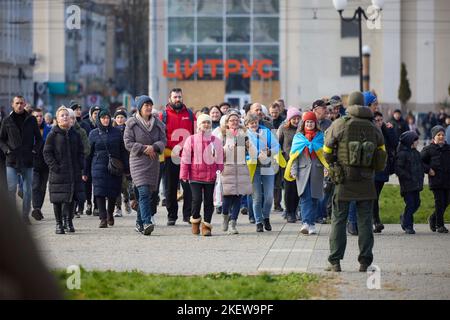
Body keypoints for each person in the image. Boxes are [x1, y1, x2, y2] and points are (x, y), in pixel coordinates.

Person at [323, 91, 386, 272]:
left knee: (339, 220)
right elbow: (381, 154)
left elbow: (327, 150)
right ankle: (365, 262)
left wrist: (334, 165)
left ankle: (335, 261)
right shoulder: (374, 127)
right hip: (367, 180)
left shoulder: (340, 124)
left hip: (344, 179)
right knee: (365, 221)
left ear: (349, 105)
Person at [124, 95, 166, 235]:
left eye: (150, 105)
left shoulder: (158, 123)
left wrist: (154, 147)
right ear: (139, 108)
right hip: (138, 161)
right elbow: (128, 142)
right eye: (145, 105)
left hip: (153, 162)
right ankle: (147, 222)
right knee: (143, 192)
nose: (148, 107)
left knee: (147, 193)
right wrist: (143, 148)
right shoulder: (131, 123)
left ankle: (139, 223)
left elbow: (163, 141)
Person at [0, 96, 43, 224]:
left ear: (25, 104)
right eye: (17, 103)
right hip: (11, 160)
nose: (19, 105)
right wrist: (6, 150)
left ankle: (25, 216)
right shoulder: (7, 121)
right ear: (12, 104)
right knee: (11, 189)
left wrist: (34, 150)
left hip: (27, 160)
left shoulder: (31, 120)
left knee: (27, 190)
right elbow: (1, 139)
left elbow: (39, 139)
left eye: (21, 103)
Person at [83, 108, 129, 228]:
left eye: (107, 118)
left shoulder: (117, 132)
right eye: (103, 118)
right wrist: (85, 171)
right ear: (99, 119)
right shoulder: (93, 133)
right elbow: (88, 153)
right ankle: (103, 218)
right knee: (99, 192)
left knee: (113, 191)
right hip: (98, 166)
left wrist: (126, 167)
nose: (106, 120)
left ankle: (110, 214)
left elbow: (123, 151)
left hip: (114, 166)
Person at [180, 114, 223, 236]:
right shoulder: (191, 139)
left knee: (209, 201)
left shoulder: (216, 141)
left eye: (208, 122)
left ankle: (206, 226)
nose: (206, 125)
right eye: (203, 122)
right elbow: (185, 158)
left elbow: (220, 158)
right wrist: (184, 174)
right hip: (195, 176)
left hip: (210, 176)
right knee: (196, 200)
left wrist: (220, 170)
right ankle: (195, 221)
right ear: (199, 125)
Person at [285, 111, 327, 235]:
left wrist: (326, 168)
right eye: (307, 122)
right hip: (302, 171)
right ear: (304, 123)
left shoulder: (320, 136)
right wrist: (293, 170)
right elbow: (294, 156)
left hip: (317, 170)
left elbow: (324, 155)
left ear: (315, 123)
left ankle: (312, 224)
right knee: (304, 197)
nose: (309, 124)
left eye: (312, 122)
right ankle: (305, 223)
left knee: (315, 198)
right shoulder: (298, 137)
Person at [43, 106, 84, 234]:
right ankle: (58, 224)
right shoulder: (53, 135)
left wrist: (80, 165)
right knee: (58, 200)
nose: (65, 117)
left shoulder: (75, 135)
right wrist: (55, 167)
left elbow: (81, 152)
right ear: (57, 120)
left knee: (71, 198)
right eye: (62, 115)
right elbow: (47, 153)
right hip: (58, 174)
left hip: (73, 172)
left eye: (67, 115)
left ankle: (68, 221)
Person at [159, 88, 196, 226]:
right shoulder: (163, 115)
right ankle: (172, 216)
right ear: (170, 99)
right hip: (170, 156)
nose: (177, 99)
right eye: (175, 97)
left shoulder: (190, 115)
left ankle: (187, 215)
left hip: (187, 157)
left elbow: (195, 134)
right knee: (170, 188)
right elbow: (160, 135)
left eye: (179, 97)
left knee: (188, 188)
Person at [214, 110, 252, 234]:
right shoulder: (223, 135)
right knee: (226, 198)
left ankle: (233, 223)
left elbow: (251, 153)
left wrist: (249, 146)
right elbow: (216, 154)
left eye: (236, 120)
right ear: (227, 123)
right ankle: (225, 217)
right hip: (227, 169)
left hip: (241, 169)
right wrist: (227, 148)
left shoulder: (243, 135)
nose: (234, 122)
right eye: (232, 120)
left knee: (237, 197)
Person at [245, 113, 281, 232]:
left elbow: (277, 146)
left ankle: (266, 217)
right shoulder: (243, 135)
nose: (254, 125)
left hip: (267, 165)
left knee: (269, 196)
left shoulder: (266, 132)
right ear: (247, 124)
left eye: (255, 122)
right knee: (257, 196)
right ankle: (258, 221)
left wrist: (269, 152)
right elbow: (241, 153)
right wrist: (252, 156)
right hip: (253, 167)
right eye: (251, 123)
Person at [421, 126, 450, 233]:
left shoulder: (448, 148)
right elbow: (420, 162)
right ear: (434, 137)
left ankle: (433, 218)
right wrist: (428, 169)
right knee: (439, 202)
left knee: (446, 201)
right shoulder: (428, 149)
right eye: (439, 135)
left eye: (442, 134)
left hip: (447, 180)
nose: (441, 136)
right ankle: (440, 225)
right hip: (436, 180)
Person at [372, 111, 397, 233]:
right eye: (376, 120)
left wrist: (390, 130)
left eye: (381, 120)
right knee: (373, 196)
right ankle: (375, 221)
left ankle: (375, 221)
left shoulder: (385, 131)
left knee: (376, 195)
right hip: (372, 168)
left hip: (383, 168)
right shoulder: (370, 131)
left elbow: (394, 143)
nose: (379, 122)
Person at [395, 131, 424, 234]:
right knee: (411, 204)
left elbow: (421, 165)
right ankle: (408, 225)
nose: (417, 142)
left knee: (417, 203)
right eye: (415, 140)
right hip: (407, 185)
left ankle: (404, 216)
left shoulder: (416, 153)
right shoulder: (402, 154)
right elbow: (398, 168)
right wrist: (407, 176)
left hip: (416, 184)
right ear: (409, 141)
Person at [277, 107, 301, 223]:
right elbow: (278, 143)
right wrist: (282, 156)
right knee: (289, 188)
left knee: (297, 188)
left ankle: (294, 210)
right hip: (287, 162)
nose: (296, 121)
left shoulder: (302, 129)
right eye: (294, 119)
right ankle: (289, 211)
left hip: (300, 161)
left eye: (298, 118)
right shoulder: (283, 128)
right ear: (289, 119)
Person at [67, 108, 90, 219]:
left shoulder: (80, 132)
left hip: (77, 166)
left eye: (72, 118)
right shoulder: (55, 133)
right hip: (62, 168)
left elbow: (86, 149)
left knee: (77, 190)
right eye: (68, 117)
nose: (70, 120)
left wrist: (79, 160)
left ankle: (75, 210)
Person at [30, 108, 52, 221]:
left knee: (43, 188)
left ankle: (38, 208)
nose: (39, 118)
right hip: (33, 162)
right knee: (35, 185)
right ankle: (36, 208)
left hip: (45, 163)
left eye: (40, 116)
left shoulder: (49, 129)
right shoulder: (28, 129)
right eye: (36, 116)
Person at [81, 105, 101, 216]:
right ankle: (88, 203)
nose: (97, 116)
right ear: (91, 114)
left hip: (98, 159)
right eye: (95, 113)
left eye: (98, 113)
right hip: (88, 156)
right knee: (87, 182)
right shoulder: (85, 124)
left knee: (97, 184)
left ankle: (97, 206)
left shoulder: (103, 124)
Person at [113, 108, 133, 217]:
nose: (120, 119)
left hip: (127, 161)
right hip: (116, 162)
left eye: (122, 117)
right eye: (118, 117)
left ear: (126, 119)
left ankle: (126, 199)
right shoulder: (112, 130)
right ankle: (118, 208)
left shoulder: (129, 130)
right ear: (115, 119)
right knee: (116, 185)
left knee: (124, 186)